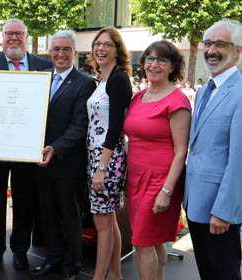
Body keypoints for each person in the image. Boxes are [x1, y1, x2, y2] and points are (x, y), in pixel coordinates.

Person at [0, 18, 52, 273]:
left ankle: (20, 251)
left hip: (26, 148)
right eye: (9, 34)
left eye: (19, 34)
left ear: (26, 37)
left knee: (24, 202)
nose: (14, 38)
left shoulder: (43, 65)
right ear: (2, 36)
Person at [29, 30, 96, 280]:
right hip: (39, 161)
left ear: (74, 53)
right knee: (46, 213)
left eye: (66, 49)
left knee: (69, 215)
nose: (60, 54)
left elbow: (80, 126)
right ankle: (53, 258)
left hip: (66, 163)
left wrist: (55, 148)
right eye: (56, 49)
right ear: (50, 52)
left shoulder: (85, 83)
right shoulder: (40, 79)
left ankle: (73, 263)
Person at [123, 40, 191, 280]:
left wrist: (167, 190)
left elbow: (181, 151)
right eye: (149, 59)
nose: (154, 65)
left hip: (160, 180)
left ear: (173, 66)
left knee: (141, 242)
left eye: (161, 60)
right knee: (152, 239)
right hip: (135, 178)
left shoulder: (178, 102)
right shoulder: (138, 97)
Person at [184, 19, 242, 280]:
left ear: (238, 51)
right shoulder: (206, 88)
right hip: (196, 203)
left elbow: (239, 158)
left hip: (219, 210)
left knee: (224, 274)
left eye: (220, 44)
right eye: (208, 43)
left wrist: (225, 210)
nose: (211, 50)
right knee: (208, 272)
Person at [86, 27, 132, 280]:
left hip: (108, 159)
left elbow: (115, 128)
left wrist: (102, 168)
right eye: (97, 44)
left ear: (117, 50)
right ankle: (114, 274)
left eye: (107, 45)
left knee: (101, 222)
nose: (100, 48)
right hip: (95, 155)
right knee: (108, 218)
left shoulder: (118, 78)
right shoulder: (102, 78)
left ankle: (98, 277)